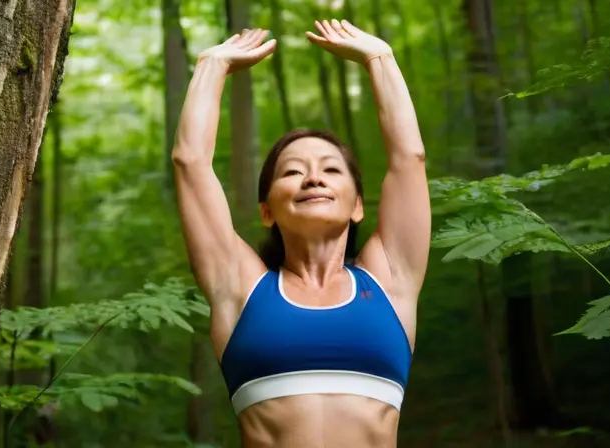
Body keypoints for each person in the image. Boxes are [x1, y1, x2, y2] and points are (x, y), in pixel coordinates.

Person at [172, 19, 430, 448]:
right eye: (293, 171)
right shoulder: (239, 289)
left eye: (331, 170)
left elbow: (409, 158)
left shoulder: (390, 281)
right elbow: (190, 162)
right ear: (267, 210)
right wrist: (212, 65)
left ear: (358, 205)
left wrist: (380, 58)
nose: (313, 179)